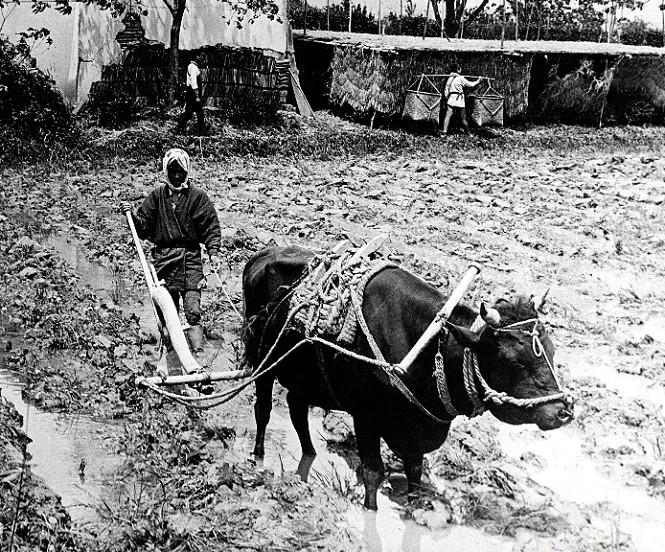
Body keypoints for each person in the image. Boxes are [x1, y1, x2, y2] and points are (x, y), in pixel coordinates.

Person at [120, 148, 221, 377]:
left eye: (180, 170)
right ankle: (171, 354)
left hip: (191, 258)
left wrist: (213, 251)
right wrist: (132, 216)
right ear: (166, 171)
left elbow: (210, 226)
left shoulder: (197, 197)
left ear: (187, 171)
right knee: (168, 311)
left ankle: (198, 355)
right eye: (172, 170)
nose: (176, 175)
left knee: (193, 309)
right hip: (164, 259)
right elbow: (143, 227)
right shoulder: (156, 197)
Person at [441, 64, 481, 134]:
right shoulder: (460, 78)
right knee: (463, 118)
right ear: (458, 70)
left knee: (447, 116)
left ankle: (444, 132)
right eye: (460, 69)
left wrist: (447, 98)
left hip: (451, 99)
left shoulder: (449, 78)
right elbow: (471, 85)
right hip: (459, 100)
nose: (461, 70)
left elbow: (446, 90)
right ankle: (468, 132)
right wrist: (478, 80)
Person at [177, 54, 206, 134]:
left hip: (191, 93)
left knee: (197, 113)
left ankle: (181, 129)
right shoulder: (194, 68)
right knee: (191, 113)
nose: (202, 58)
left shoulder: (190, 66)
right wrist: (197, 96)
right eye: (201, 56)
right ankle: (180, 129)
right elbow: (193, 82)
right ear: (196, 57)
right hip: (193, 94)